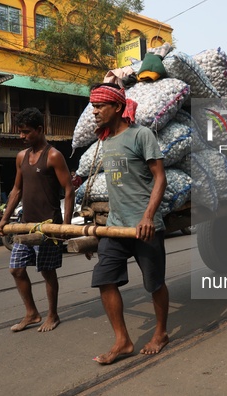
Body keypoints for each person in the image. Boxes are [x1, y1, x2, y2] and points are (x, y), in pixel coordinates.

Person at [87, 83, 168, 365]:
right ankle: (122, 340)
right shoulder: (104, 142)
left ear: (118, 107)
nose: (94, 111)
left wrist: (148, 216)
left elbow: (160, 178)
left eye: (100, 106)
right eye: (93, 106)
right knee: (104, 279)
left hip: (144, 227)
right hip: (115, 226)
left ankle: (160, 332)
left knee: (154, 283)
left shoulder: (141, 135)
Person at [0, 107, 74, 332]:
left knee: (47, 272)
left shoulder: (53, 156)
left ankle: (53, 314)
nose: (21, 136)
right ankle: (31, 313)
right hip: (25, 225)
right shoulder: (21, 157)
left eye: (26, 132)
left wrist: (65, 226)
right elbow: (16, 190)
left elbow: (68, 190)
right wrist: (4, 219)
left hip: (48, 226)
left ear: (40, 130)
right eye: (20, 132)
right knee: (16, 269)